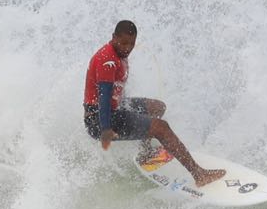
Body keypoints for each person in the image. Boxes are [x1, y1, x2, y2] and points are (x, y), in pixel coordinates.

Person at [83, 20, 225, 187]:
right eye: (123, 43)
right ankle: (199, 175)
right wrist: (106, 129)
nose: (127, 48)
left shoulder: (120, 55)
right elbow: (104, 97)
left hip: (114, 108)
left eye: (131, 43)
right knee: (161, 127)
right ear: (113, 37)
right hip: (98, 118)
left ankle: (146, 150)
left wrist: (127, 110)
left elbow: (117, 89)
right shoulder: (108, 60)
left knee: (157, 107)